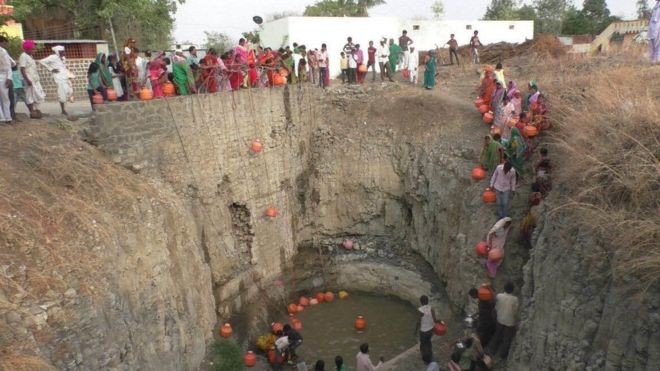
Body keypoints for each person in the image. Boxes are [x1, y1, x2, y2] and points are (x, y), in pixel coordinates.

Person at [488, 282, 519, 360]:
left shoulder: (499, 296)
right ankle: (502, 355)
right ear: (513, 290)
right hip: (510, 322)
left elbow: (495, 306)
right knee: (507, 339)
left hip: (500, 319)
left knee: (497, 334)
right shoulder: (515, 299)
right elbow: (515, 312)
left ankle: (492, 350)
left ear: (504, 288)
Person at [39, 45, 73, 115]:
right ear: (57, 52)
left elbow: (64, 67)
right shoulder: (53, 57)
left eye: (63, 51)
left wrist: (68, 74)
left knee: (68, 92)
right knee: (62, 94)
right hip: (58, 78)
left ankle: (64, 109)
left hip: (65, 77)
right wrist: (51, 69)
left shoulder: (63, 58)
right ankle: (63, 110)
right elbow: (41, 61)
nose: (63, 53)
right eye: (61, 52)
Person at [18, 40, 44, 119]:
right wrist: (27, 80)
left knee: (36, 95)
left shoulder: (30, 56)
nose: (34, 51)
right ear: (27, 49)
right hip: (29, 80)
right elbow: (22, 69)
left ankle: (36, 110)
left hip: (34, 79)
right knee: (29, 96)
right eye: (33, 49)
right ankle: (32, 112)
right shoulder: (23, 56)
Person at [416, 295, 437, 362]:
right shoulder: (431, 308)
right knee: (428, 342)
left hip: (423, 331)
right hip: (431, 330)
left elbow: (418, 322)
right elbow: (435, 320)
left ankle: (425, 358)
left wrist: (415, 330)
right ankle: (430, 355)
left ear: (421, 302)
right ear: (427, 301)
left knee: (423, 345)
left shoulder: (421, 310)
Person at [649, 0, 660, 64]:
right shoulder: (656, 6)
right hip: (653, 26)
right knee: (652, 41)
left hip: (658, 26)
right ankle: (653, 59)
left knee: (658, 43)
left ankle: (657, 59)